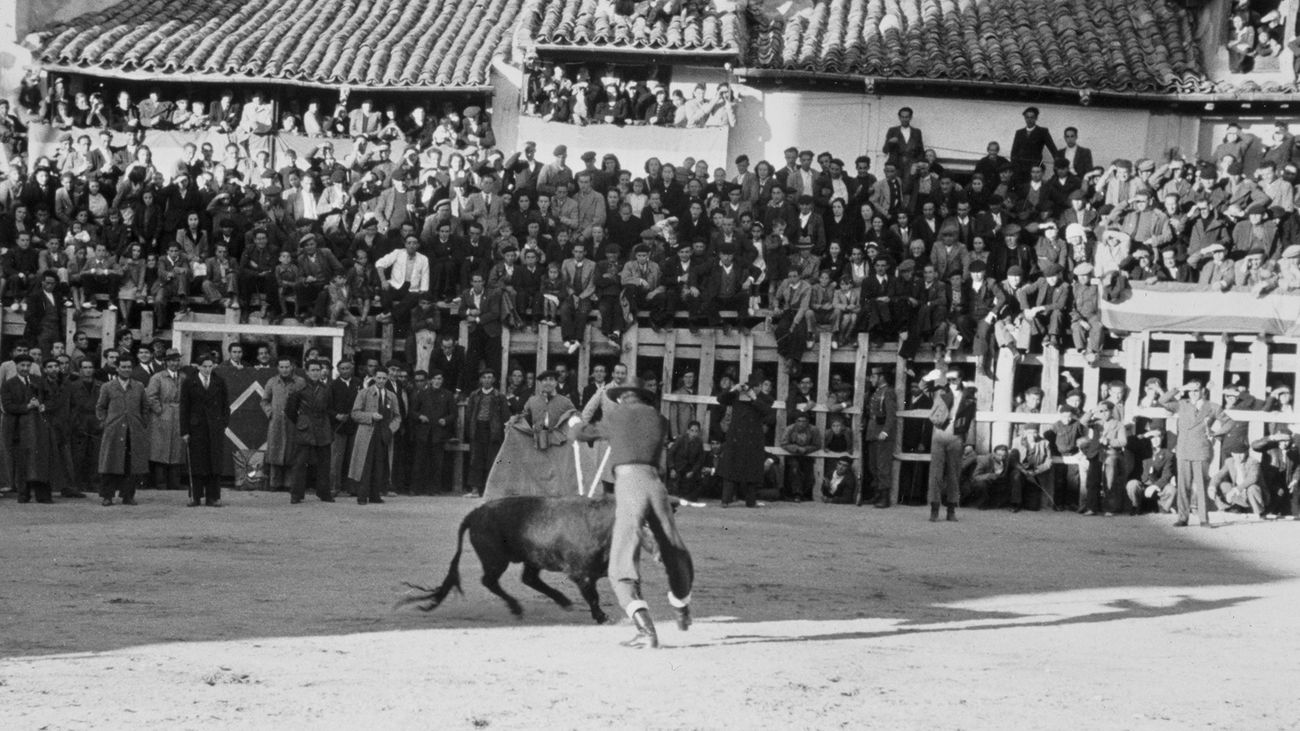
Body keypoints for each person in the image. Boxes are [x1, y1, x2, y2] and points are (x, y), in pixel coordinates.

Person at [568, 380, 694, 649]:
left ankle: (646, 631)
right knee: (673, 547)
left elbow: (583, 434)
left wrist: (574, 425)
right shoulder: (658, 419)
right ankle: (681, 603)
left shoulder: (617, 415)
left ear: (623, 397)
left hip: (628, 483)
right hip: (655, 484)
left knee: (621, 561)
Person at [1160, 380, 1223, 528]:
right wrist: (1180, 388)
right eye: (1191, 391)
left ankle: (1203, 519)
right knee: (1183, 485)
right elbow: (1162, 401)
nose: (1193, 394)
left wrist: (1215, 433)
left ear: (1202, 391)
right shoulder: (1182, 404)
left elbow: (1227, 422)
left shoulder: (1210, 406)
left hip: (1200, 450)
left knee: (1201, 485)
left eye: (1196, 390)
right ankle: (1183, 517)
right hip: (1183, 450)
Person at [714, 373, 774, 507]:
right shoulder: (737, 395)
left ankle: (750, 501)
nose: (756, 389)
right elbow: (720, 399)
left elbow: (768, 411)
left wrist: (754, 398)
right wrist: (733, 389)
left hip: (754, 438)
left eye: (757, 386)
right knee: (730, 471)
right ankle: (725, 500)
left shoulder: (764, 398)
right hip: (736, 436)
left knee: (752, 473)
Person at [96, 355, 149, 506]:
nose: (126, 370)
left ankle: (128, 495)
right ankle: (107, 496)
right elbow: (100, 407)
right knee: (110, 463)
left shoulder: (138, 386)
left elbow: (145, 407)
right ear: (117, 368)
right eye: (123, 367)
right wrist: (106, 422)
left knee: (130, 464)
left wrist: (141, 422)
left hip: (133, 431)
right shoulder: (107, 387)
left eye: (129, 367)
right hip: (114, 431)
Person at [179, 351, 230, 507]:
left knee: (213, 463)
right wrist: (185, 431)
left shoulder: (219, 382)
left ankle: (213, 497)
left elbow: (225, 406)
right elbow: (184, 408)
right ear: (198, 367)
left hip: (214, 428)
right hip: (196, 428)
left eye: (210, 366)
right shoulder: (189, 382)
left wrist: (222, 424)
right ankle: (195, 496)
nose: (208, 369)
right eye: (204, 366)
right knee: (197, 463)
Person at [925, 368, 976, 522]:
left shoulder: (969, 398)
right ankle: (934, 509)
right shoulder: (940, 392)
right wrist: (928, 377)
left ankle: (951, 510)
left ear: (960, 380)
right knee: (936, 473)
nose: (951, 382)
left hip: (957, 435)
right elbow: (923, 388)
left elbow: (972, 421)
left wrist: (970, 442)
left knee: (954, 474)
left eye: (954, 379)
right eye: (949, 379)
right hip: (939, 433)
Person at [284, 358, 335, 504]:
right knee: (300, 463)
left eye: (318, 370)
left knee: (324, 463)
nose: (315, 373)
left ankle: (324, 493)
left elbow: (329, 408)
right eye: (312, 370)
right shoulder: (298, 388)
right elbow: (290, 410)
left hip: (323, 428)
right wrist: (302, 422)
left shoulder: (326, 388)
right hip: (305, 428)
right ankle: (296, 494)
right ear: (306, 372)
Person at [348, 366, 401, 505]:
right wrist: (371, 416)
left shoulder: (391, 396)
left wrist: (391, 429)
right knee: (365, 464)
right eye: (379, 378)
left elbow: (397, 417)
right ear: (374, 378)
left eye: (384, 378)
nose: (381, 381)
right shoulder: (364, 393)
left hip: (384, 433)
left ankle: (375, 495)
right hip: (367, 433)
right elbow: (355, 413)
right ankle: (362, 495)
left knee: (380, 464)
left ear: (387, 379)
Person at [463, 368, 510, 498]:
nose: (487, 380)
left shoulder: (499, 396)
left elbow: (505, 416)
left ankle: (490, 490)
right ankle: (475, 490)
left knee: (492, 460)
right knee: (476, 459)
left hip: (493, 430)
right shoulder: (474, 395)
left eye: (490, 377)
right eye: (484, 377)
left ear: (494, 380)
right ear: (481, 380)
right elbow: (469, 413)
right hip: (478, 428)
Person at [262, 357, 305, 492]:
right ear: (278, 368)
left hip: (293, 422)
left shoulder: (300, 382)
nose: (285, 370)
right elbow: (264, 401)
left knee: (291, 451)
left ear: (292, 367)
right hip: (277, 422)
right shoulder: (272, 382)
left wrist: (300, 415)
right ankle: (275, 483)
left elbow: (305, 400)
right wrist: (271, 413)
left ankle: (289, 483)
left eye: (287, 367)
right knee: (275, 450)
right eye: (282, 367)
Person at [145, 349, 186, 492]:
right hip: (162, 417)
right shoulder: (158, 378)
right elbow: (150, 397)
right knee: (160, 449)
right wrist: (160, 411)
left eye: (177, 360)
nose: (175, 363)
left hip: (179, 416)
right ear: (166, 362)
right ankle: (160, 483)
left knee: (177, 450)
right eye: (171, 360)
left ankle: (175, 483)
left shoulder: (183, 378)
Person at [411, 370, 457, 494]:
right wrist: (420, 416)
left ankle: (434, 489)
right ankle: (416, 489)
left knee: (437, 462)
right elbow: (413, 411)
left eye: (440, 379)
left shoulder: (447, 395)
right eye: (435, 379)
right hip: (424, 432)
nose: (437, 382)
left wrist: (445, 420)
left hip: (439, 433)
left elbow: (453, 414)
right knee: (420, 461)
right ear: (430, 380)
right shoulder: (422, 394)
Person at [862, 365, 897, 507]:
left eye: (874, 376)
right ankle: (877, 494)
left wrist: (886, 431)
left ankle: (884, 498)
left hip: (882, 433)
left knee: (883, 466)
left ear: (881, 377)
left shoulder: (888, 392)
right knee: (873, 465)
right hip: (872, 432)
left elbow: (891, 415)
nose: (871, 379)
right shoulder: (876, 392)